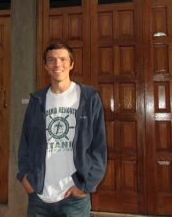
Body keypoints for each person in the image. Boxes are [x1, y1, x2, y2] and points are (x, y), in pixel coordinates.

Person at [17, 42, 107, 217]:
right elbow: (25, 144)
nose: (57, 64)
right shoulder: (37, 100)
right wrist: (24, 177)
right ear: (45, 66)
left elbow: (99, 147)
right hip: (39, 197)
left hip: (74, 198)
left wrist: (84, 185)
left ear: (71, 64)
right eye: (51, 60)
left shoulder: (89, 99)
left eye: (63, 59)